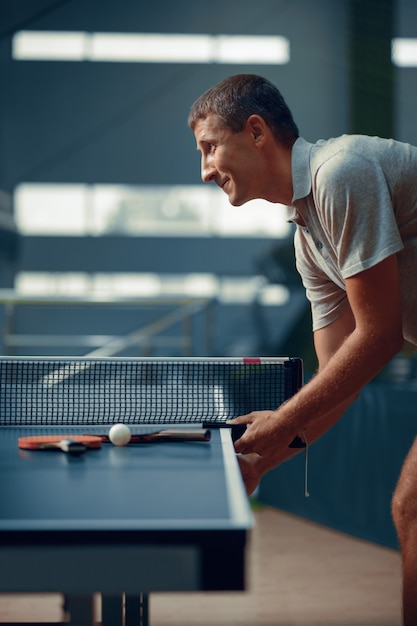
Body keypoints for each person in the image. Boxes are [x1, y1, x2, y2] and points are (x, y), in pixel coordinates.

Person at [188, 73, 417, 626]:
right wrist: (262, 460)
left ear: (257, 130)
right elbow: (339, 376)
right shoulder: (308, 240)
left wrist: (279, 422)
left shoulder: (340, 174)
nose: (205, 170)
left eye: (210, 146)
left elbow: (380, 336)